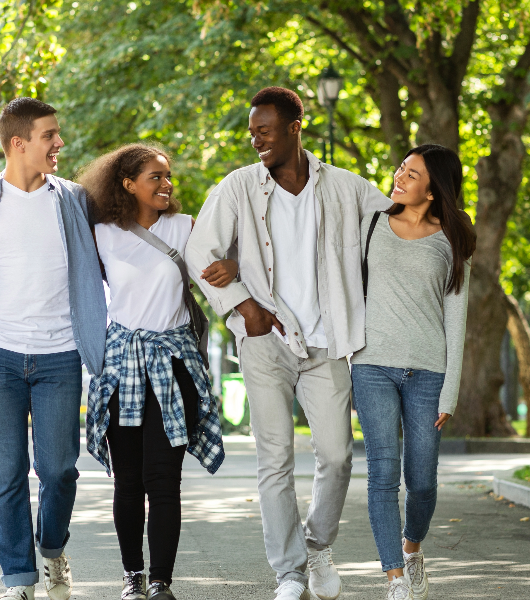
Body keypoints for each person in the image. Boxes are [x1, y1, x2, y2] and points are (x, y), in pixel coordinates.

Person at [185, 87, 392, 600]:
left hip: (330, 341)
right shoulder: (237, 188)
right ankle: (290, 572)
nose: (255, 139)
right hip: (265, 340)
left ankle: (318, 546)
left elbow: (395, 227)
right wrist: (243, 304)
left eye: (265, 129)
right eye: (252, 130)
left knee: (338, 454)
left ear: (296, 126)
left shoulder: (346, 188)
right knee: (274, 457)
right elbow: (198, 251)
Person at [0, 97, 107, 600]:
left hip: (61, 355)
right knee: (5, 475)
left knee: (59, 470)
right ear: (18, 143)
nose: (59, 143)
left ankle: (53, 550)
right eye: (50, 135)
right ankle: (19, 579)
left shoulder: (72, 200)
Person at [79, 144, 235, 600]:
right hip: (121, 365)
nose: (166, 184)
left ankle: (162, 582)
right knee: (128, 481)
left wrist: (234, 265)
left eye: (168, 176)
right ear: (127, 184)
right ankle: (133, 576)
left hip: (174, 364)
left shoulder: (186, 228)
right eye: (155, 177)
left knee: (164, 479)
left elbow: (218, 269)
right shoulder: (102, 231)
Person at [350, 144, 475, 600]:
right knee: (382, 473)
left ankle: (412, 548)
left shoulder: (453, 239)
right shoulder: (370, 224)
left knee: (421, 480)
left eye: (413, 173)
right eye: (401, 167)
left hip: (428, 371)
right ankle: (394, 579)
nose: (400, 176)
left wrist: (451, 392)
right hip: (371, 365)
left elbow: (456, 319)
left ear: (433, 187)